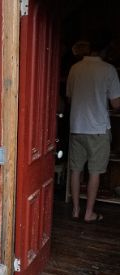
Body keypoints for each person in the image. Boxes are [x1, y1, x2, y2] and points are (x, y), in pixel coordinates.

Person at [66, 40, 120, 223]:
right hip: (98, 129)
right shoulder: (109, 70)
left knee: (75, 170)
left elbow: (70, 97)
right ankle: (89, 213)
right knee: (95, 172)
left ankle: (75, 210)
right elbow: (116, 104)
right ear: (105, 51)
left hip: (76, 127)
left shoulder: (75, 68)